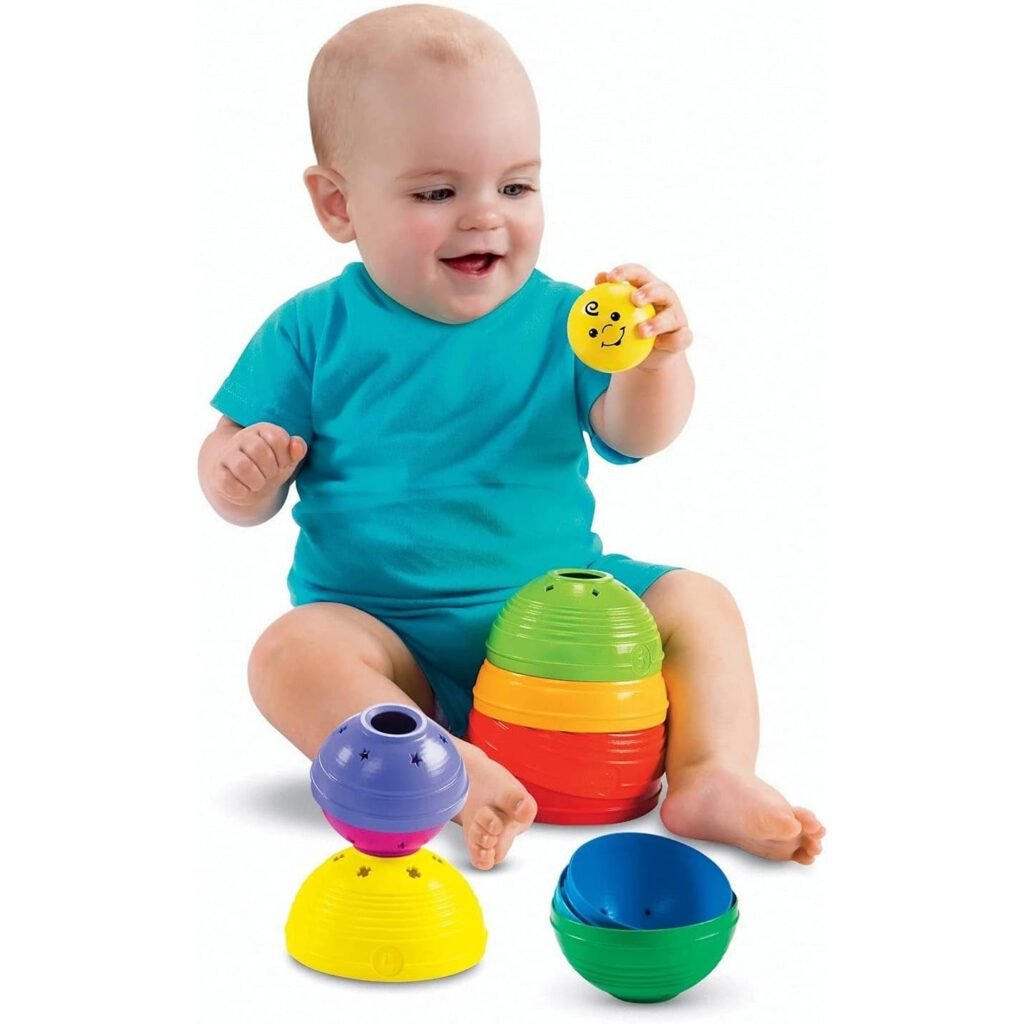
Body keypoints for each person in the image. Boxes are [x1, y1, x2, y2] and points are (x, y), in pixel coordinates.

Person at [198, 4, 825, 869]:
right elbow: (232, 473)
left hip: (568, 621)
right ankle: (443, 768)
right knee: (288, 653)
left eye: (517, 187)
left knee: (699, 602)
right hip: (388, 642)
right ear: (338, 204)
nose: (485, 216)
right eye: (437, 192)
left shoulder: (570, 320)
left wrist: (655, 365)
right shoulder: (311, 330)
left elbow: (637, 437)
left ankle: (710, 771)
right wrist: (239, 474)